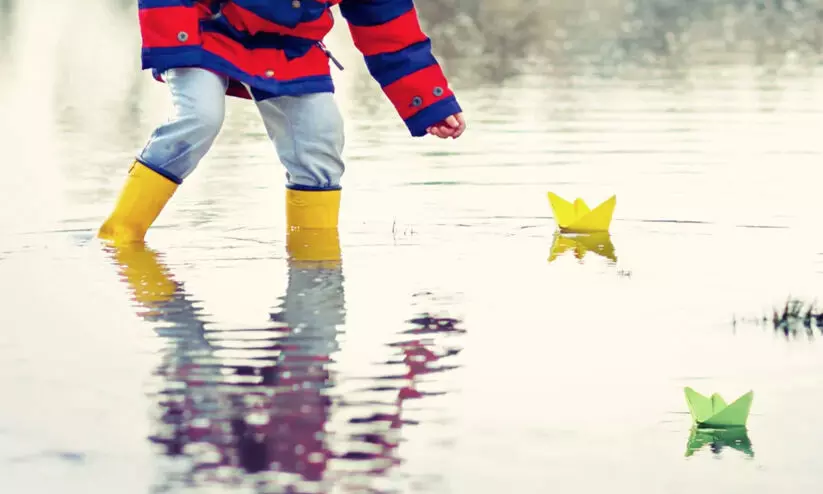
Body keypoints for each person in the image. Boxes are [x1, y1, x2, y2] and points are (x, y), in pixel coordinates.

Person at [98, 0, 467, 244]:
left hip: (289, 48)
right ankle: (120, 237)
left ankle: (314, 260)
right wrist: (176, 45)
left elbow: (391, 33)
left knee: (321, 140)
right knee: (200, 118)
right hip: (203, 31)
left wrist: (430, 102)